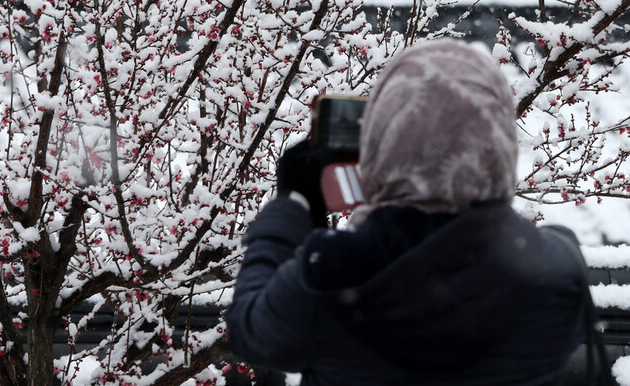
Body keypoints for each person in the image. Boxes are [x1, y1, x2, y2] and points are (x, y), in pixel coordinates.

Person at [226, 40, 586, 385]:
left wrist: (294, 204)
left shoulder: (330, 275)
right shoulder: (556, 269)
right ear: (498, 139)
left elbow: (251, 331)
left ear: (383, 141)